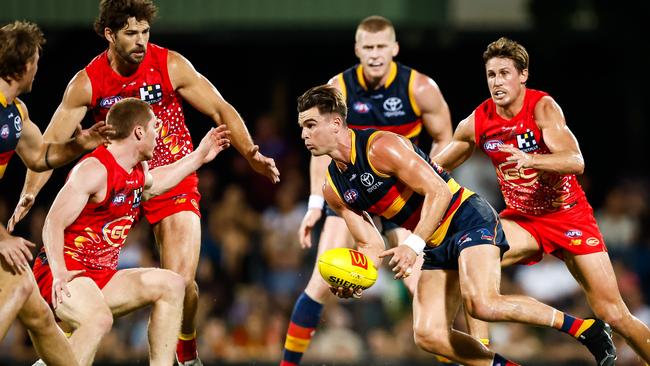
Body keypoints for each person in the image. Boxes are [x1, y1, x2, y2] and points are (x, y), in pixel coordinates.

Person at [9, 1, 280, 364]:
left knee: (180, 281)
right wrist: (29, 191)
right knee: (94, 292)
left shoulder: (169, 64)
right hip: (118, 182)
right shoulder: (88, 83)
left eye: (145, 32)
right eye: (131, 33)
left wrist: (250, 153)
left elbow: (220, 108)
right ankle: (72, 341)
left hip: (173, 175)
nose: (141, 41)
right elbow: (51, 147)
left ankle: (184, 350)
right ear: (110, 34)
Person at [297, 84, 617, 366]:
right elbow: (371, 244)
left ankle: (584, 329)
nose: (304, 135)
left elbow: (437, 190)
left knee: (482, 303)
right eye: (302, 127)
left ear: (336, 123)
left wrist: (413, 244)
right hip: (433, 240)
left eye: (311, 125)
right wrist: (355, 276)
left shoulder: (382, 147)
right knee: (429, 335)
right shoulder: (333, 188)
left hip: (465, 217)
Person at [433, 36, 650, 363]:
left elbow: (575, 161)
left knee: (614, 312)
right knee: (472, 256)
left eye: (505, 73)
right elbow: (436, 168)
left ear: (523, 76)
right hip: (524, 222)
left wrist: (532, 160)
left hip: (568, 218)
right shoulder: (479, 120)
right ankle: (482, 352)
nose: (497, 81)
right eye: (491, 75)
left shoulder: (542, 107)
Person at [283, 15, 473, 366]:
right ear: (357, 50)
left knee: (421, 286)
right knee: (321, 281)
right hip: (352, 193)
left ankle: (462, 358)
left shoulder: (419, 88)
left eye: (380, 47)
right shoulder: (337, 87)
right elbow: (319, 149)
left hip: (400, 195)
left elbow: (446, 138)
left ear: (394, 49)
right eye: (367, 47)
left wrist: (428, 183)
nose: (374, 54)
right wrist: (314, 203)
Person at [32, 97, 230, 366]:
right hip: (65, 272)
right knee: (98, 319)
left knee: (173, 285)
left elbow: (154, 184)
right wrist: (59, 273)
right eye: (153, 128)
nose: (158, 135)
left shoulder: (137, 169)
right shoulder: (94, 169)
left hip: (100, 277)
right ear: (139, 132)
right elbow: (52, 222)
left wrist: (198, 156)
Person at [0, 20, 113, 366]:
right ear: (24, 65)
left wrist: (79, 145)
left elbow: (39, 156)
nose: (39, 68)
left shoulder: (15, 111)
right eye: (36, 60)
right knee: (19, 286)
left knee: (40, 317)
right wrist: (1, 237)